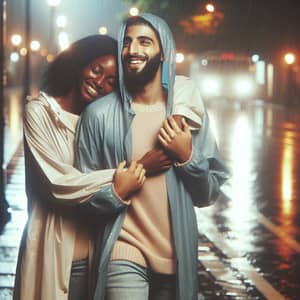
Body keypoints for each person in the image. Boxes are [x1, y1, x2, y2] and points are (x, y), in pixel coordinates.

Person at [76, 14, 229, 300]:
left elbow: (207, 194)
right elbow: (81, 196)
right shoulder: (98, 115)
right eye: (127, 42)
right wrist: (116, 192)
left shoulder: (187, 117)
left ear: (163, 53)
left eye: (145, 42)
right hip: (123, 249)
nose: (133, 50)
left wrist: (187, 156)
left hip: (176, 254)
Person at [13, 35, 147, 300]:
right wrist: (122, 177)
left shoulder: (104, 123)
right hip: (52, 247)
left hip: (99, 253)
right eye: (96, 70)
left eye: (111, 80)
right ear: (79, 64)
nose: (99, 83)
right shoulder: (40, 112)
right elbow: (57, 182)